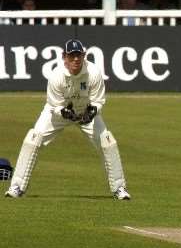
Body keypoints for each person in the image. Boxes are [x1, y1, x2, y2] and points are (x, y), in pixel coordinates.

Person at [5, 39, 131, 200]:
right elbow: (53, 104)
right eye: (71, 56)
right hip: (59, 114)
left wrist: (91, 112)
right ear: (64, 57)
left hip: (86, 112)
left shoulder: (94, 72)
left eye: (78, 55)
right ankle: (17, 187)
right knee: (33, 138)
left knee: (107, 142)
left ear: (84, 56)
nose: (76, 59)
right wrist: (64, 113)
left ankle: (119, 189)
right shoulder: (56, 76)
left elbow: (98, 101)